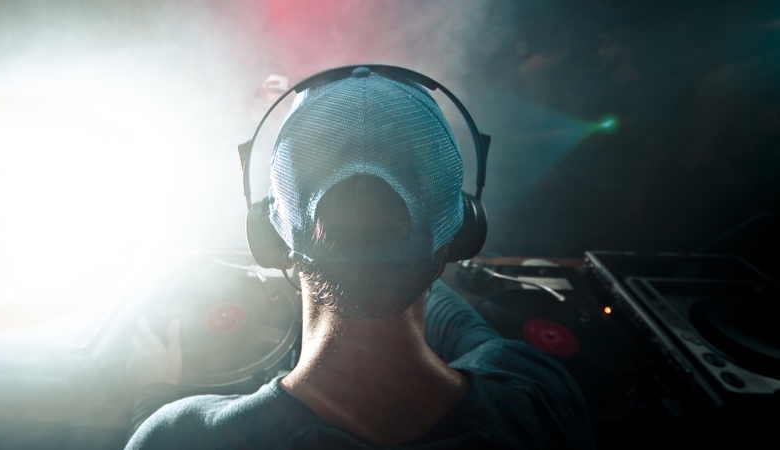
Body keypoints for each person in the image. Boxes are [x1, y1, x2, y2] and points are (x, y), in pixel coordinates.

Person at [124, 66, 595, 449]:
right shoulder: (537, 393)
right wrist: (401, 250)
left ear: (268, 233)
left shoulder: (178, 436)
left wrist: (152, 392)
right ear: (464, 228)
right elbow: (469, 333)